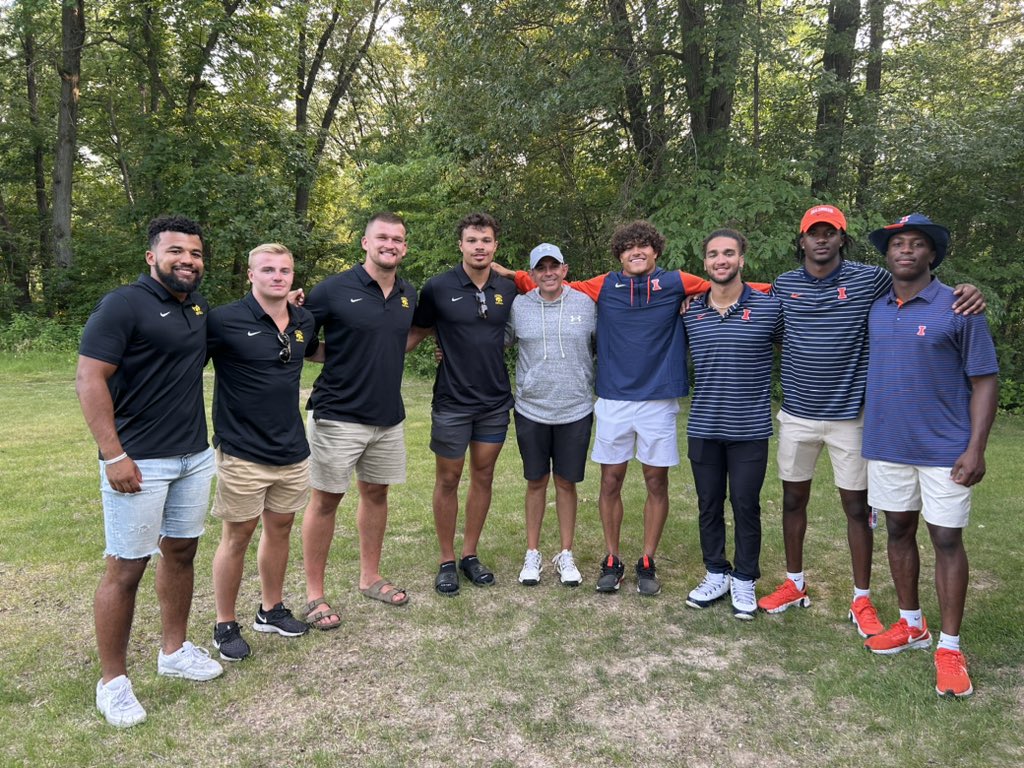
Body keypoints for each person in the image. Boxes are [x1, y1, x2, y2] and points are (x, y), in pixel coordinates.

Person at [757, 205, 984, 639]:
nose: (821, 240)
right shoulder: (784, 286)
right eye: (813, 233)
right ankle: (794, 583)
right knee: (792, 501)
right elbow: (750, 303)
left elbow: (921, 282)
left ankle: (861, 598)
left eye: (831, 233)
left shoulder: (872, 279)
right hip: (798, 414)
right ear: (801, 241)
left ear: (843, 239)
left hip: (853, 416)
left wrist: (967, 289)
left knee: (858, 510)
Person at [497, 221, 758, 595]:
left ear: (655, 251)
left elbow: (731, 288)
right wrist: (507, 272)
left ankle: (647, 559)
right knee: (610, 481)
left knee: (655, 480)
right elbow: (549, 285)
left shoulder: (678, 283)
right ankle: (612, 557)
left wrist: (787, 294)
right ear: (619, 254)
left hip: (659, 399)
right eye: (629, 247)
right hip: (613, 398)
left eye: (644, 246)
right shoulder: (603, 285)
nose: (637, 252)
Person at [77, 215, 222, 728]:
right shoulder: (124, 304)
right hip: (139, 461)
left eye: (196, 253)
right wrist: (113, 454)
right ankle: (112, 683)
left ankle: (174, 651)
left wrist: (287, 303)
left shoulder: (197, 308)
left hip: (193, 455)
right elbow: (90, 376)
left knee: (181, 552)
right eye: (176, 251)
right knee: (127, 566)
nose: (187, 260)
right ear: (151, 257)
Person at [860, 213, 998, 698]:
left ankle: (949, 645)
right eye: (898, 244)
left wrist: (975, 447)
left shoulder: (959, 307)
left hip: (944, 448)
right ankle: (912, 624)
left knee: (945, 539)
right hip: (887, 444)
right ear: (888, 255)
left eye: (917, 244)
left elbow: (984, 380)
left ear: (932, 255)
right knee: (898, 529)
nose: (906, 251)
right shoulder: (876, 308)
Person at [300, 212, 416, 629]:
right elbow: (303, 341)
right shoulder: (333, 290)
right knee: (326, 500)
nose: (390, 244)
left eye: (398, 239)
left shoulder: (408, 293)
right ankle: (314, 595)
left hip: (388, 416)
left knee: (376, 495)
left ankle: (370, 577)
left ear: (405, 247)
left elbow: (403, 337)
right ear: (364, 243)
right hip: (338, 415)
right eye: (382, 237)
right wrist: (342, 355)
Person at [207, 243, 314, 661]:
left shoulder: (302, 319)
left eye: (285, 270)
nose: (277, 276)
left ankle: (270, 610)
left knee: (281, 528)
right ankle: (224, 623)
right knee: (237, 536)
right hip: (242, 451)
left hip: (291, 449)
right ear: (250, 275)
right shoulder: (223, 321)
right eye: (268, 269)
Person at [407, 212, 516, 596]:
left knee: (483, 476)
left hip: (494, 401)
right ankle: (446, 560)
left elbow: (547, 284)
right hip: (452, 401)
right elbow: (415, 333)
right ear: (461, 245)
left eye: (486, 241)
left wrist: (511, 270)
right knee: (449, 479)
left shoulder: (508, 288)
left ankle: (470, 555)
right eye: (472, 240)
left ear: (495, 246)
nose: (479, 247)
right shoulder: (437, 287)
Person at [682, 230, 784, 619]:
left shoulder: (769, 309)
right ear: (705, 263)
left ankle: (744, 577)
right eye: (712, 254)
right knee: (708, 504)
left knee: (745, 505)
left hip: (750, 429)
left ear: (742, 259)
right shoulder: (691, 311)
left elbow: (796, 344)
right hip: (704, 426)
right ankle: (715, 573)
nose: (720, 260)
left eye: (728, 253)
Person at [506, 243, 596, 587]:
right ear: (531, 274)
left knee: (566, 483)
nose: (547, 273)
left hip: (575, 407)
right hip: (532, 408)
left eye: (553, 266)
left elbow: (607, 343)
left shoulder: (586, 305)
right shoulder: (519, 306)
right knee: (536, 481)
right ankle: (532, 554)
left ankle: (566, 554)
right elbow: (495, 340)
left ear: (564, 269)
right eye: (540, 268)